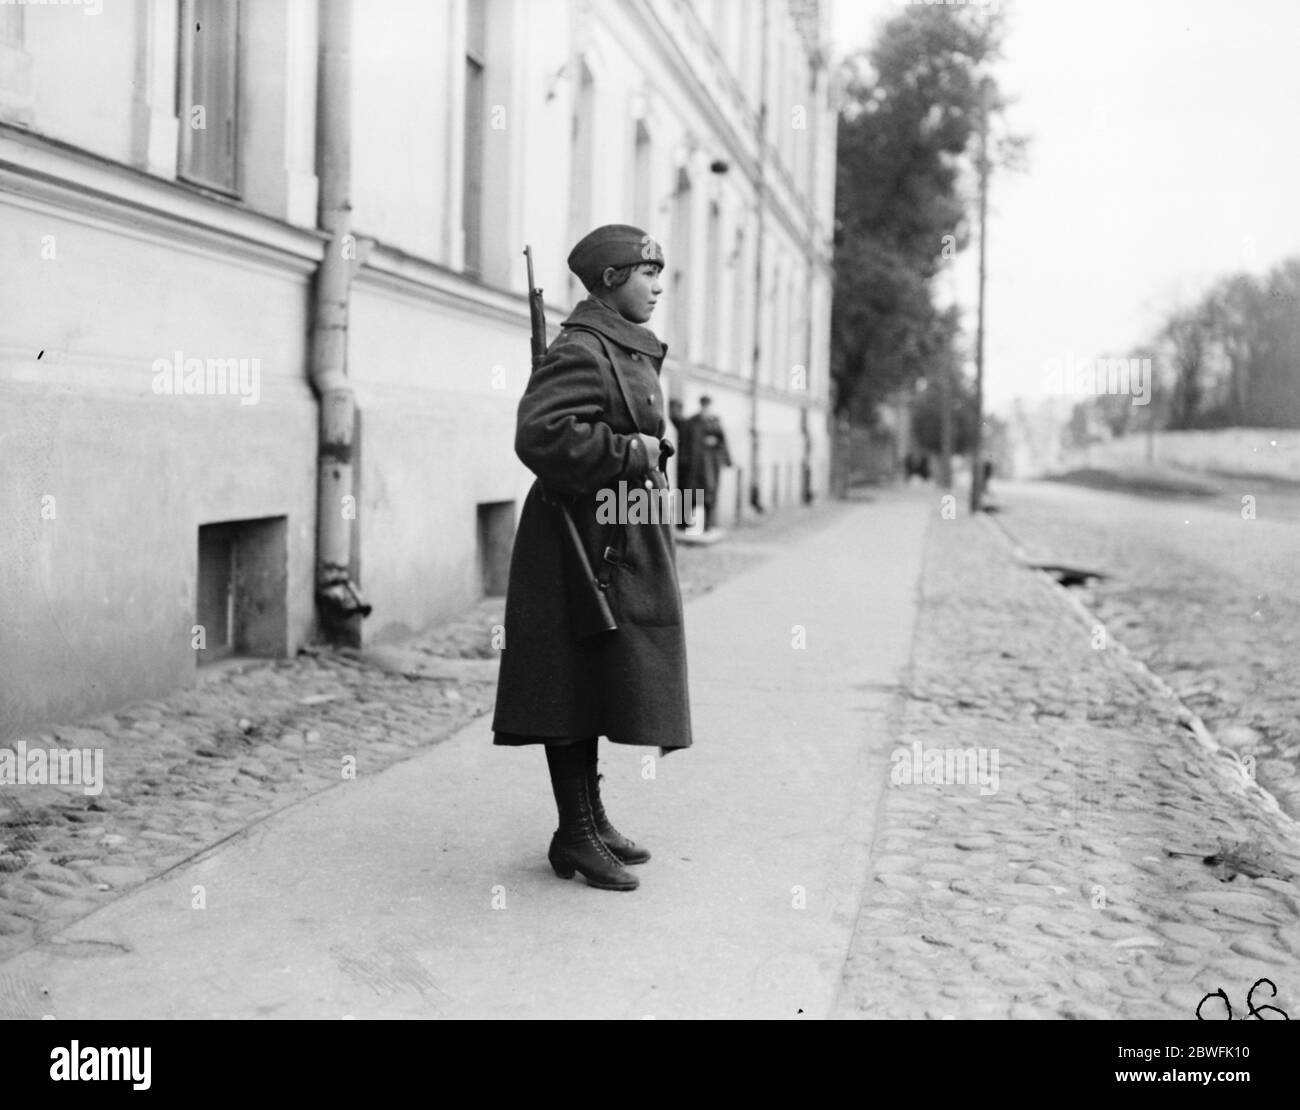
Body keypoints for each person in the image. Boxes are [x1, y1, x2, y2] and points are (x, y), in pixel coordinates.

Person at [492, 224, 692, 893]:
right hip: (574, 541)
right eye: (647, 273)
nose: (658, 287)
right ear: (611, 279)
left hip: (618, 533)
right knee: (571, 677)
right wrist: (633, 453)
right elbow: (540, 434)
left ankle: (591, 816)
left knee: (609, 672)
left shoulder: (622, 345)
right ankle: (573, 831)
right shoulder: (583, 347)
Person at [682, 396, 732, 531]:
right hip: (695, 464)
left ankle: (707, 524)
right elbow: (685, 442)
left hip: (710, 465)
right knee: (691, 492)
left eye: (707, 405)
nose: (705, 408)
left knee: (709, 493)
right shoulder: (692, 422)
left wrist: (726, 458)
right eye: (703, 405)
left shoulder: (714, 421)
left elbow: (722, 441)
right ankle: (687, 523)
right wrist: (684, 460)